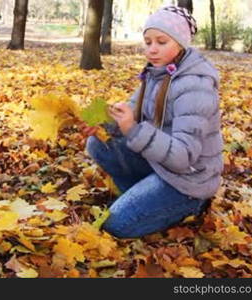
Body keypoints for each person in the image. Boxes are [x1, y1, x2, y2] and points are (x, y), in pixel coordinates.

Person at [82, 6, 223, 238]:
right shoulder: (156, 73)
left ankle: (192, 206)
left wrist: (133, 130)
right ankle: (143, 198)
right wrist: (104, 124)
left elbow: (184, 156)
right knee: (98, 143)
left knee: (115, 224)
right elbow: (131, 111)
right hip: (160, 164)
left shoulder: (195, 87)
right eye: (148, 42)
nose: (152, 49)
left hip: (186, 182)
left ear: (180, 43)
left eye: (161, 41)